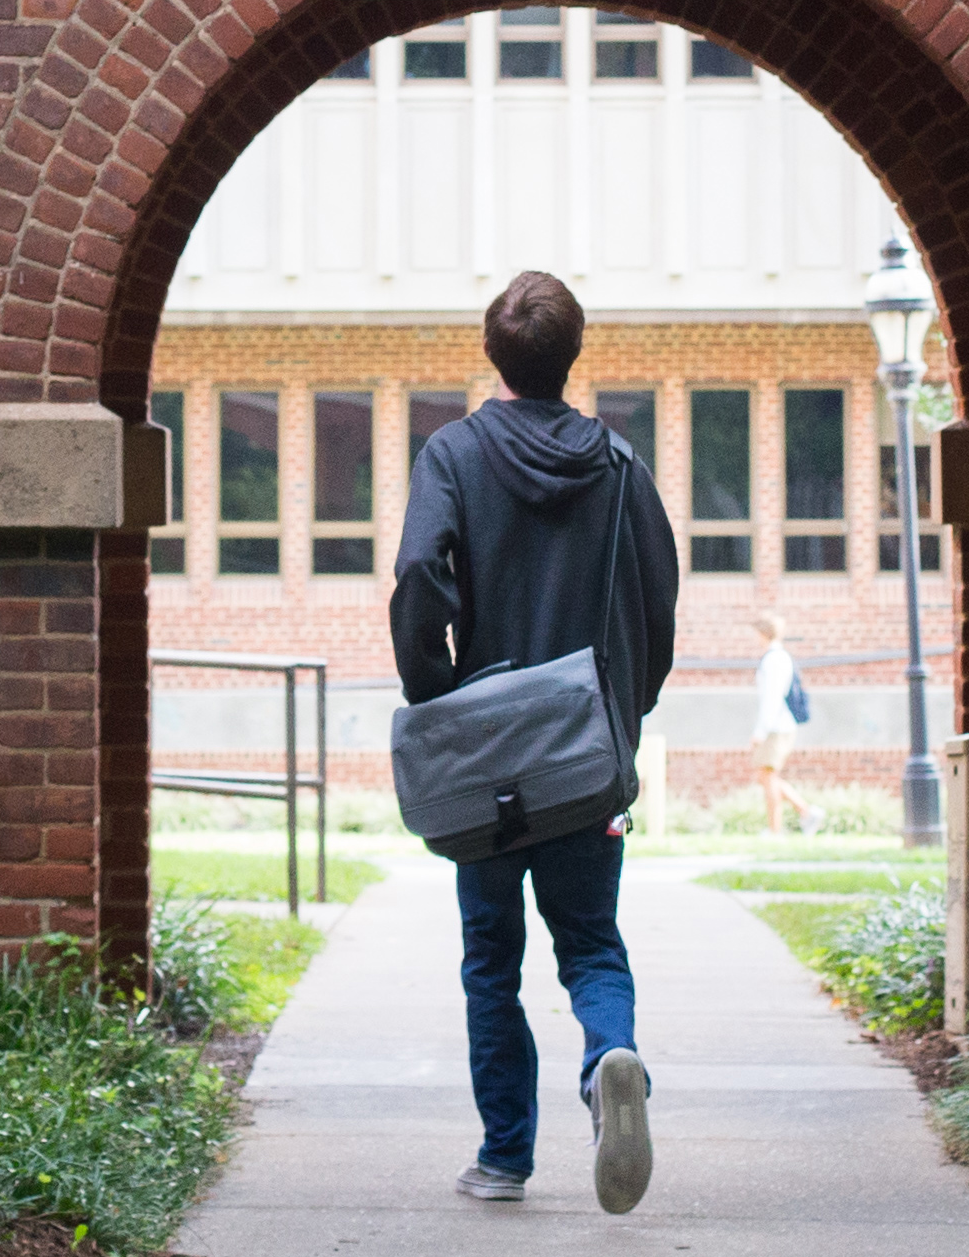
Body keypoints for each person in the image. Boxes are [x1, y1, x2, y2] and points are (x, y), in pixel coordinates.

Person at [390, 271, 680, 1212]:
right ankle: (608, 1062)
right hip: (585, 753)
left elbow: (417, 579)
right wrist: (621, 717)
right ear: (573, 354)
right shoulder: (621, 466)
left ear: (493, 352)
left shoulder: (453, 455)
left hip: (485, 759)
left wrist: (434, 693)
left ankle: (505, 1156)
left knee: (491, 961)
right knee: (591, 942)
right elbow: (660, 599)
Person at [750, 612, 814, 837]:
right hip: (778, 726)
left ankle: (776, 829)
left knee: (767, 777)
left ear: (763, 634)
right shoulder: (778, 657)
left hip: (776, 727)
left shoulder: (774, 659)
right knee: (767, 776)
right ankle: (806, 811)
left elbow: (772, 698)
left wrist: (760, 732)